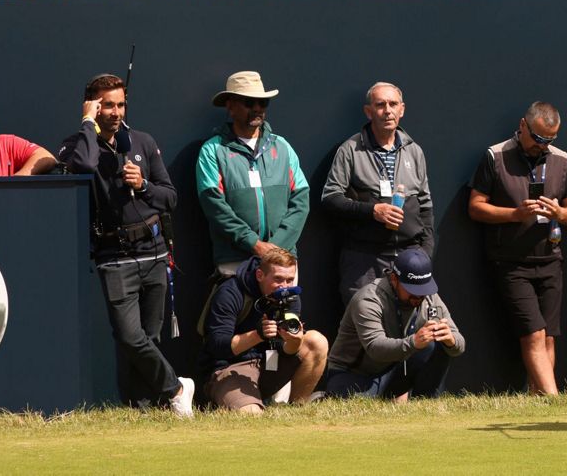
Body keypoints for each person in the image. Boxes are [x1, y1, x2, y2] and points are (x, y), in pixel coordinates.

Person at [56, 73, 194, 417]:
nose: (115, 112)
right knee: (130, 337)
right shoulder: (77, 144)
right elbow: (84, 165)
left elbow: (171, 198)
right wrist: (88, 122)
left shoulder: (143, 142)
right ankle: (177, 388)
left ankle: (142, 409)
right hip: (113, 255)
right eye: (106, 105)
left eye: (120, 104)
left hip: (154, 252)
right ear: (91, 105)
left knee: (149, 338)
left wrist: (144, 184)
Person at [467, 102, 567, 396]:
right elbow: (476, 207)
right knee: (533, 333)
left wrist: (559, 213)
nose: (543, 146)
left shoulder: (561, 159)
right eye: (539, 138)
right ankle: (554, 400)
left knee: (549, 337)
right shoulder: (496, 156)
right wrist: (514, 215)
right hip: (511, 262)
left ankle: (537, 399)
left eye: (550, 140)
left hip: (551, 258)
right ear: (522, 126)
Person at [322, 82, 436, 303]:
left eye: (393, 104)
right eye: (380, 105)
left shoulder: (414, 150)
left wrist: (426, 252)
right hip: (364, 259)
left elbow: (426, 205)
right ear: (369, 111)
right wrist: (373, 211)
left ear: (402, 109)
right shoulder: (351, 149)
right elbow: (330, 198)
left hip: (409, 257)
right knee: (362, 327)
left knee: (408, 328)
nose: (387, 111)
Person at [195, 71, 310, 276]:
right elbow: (215, 207)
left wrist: (274, 248)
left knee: (287, 310)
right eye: (249, 102)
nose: (257, 108)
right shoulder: (212, 150)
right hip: (235, 262)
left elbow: (301, 202)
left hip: (282, 262)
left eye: (263, 103)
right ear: (230, 106)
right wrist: (254, 244)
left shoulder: (282, 146)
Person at [200, 246, 329, 412]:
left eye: (289, 280)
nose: (284, 286)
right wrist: (258, 335)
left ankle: (298, 409)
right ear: (260, 275)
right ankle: (244, 402)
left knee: (316, 341)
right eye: (278, 279)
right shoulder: (231, 292)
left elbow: (287, 350)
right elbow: (217, 347)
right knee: (251, 416)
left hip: (270, 364)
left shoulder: (290, 297)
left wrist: (294, 342)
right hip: (232, 369)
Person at [325, 248, 465, 399]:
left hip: (392, 373)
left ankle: (424, 403)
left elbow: (459, 342)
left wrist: (451, 341)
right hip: (354, 374)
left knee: (439, 343)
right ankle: (325, 396)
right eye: (412, 289)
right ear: (394, 279)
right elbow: (375, 348)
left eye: (423, 288)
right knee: (356, 405)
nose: (419, 295)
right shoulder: (369, 299)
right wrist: (414, 342)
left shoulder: (429, 297)